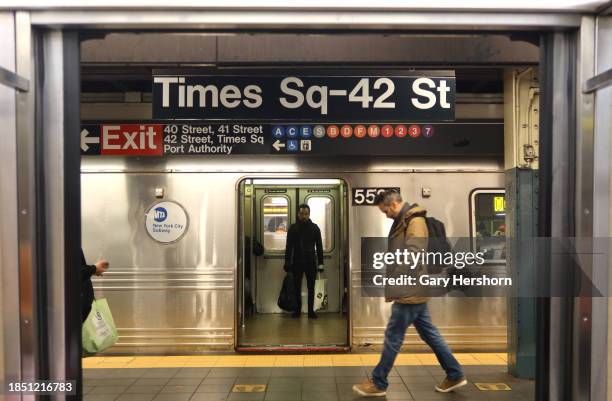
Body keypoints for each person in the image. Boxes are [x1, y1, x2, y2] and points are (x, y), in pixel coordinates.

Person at [353, 190, 467, 397]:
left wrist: (396, 282)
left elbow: (413, 255)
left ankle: (379, 382)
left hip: (410, 289)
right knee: (429, 334)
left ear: (394, 204)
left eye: (385, 210)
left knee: (393, 336)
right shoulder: (404, 221)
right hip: (413, 288)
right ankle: (455, 373)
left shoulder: (414, 222)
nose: (385, 214)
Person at [284, 204, 324, 319]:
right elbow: (289, 246)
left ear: (309, 214)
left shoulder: (315, 228)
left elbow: (319, 246)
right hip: (297, 262)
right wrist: (287, 262)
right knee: (297, 287)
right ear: (298, 214)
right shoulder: (293, 228)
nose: (304, 216)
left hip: (311, 262)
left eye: (306, 214)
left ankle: (311, 311)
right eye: (301, 214)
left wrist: (321, 263)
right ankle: (297, 310)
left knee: (311, 287)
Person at [81, 249, 109, 322]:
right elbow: (75, 272)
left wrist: (93, 270)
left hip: (84, 309)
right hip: (78, 312)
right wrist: (94, 268)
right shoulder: (69, 242)